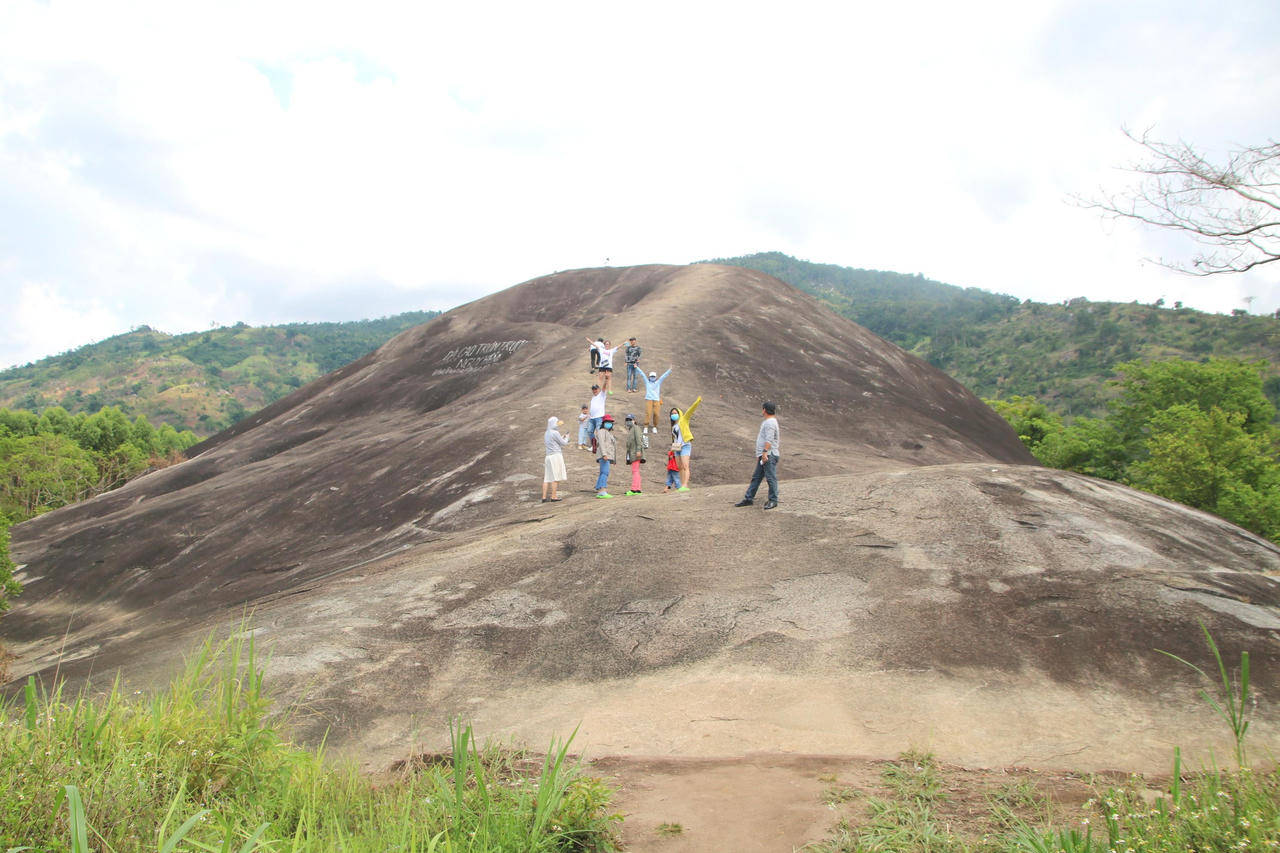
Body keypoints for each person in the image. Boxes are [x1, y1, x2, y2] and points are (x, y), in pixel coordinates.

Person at [735, 401, 780, 509]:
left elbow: (770, 439)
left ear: (764, 410)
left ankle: (773, 500)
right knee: (756, 477)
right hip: (764, 454)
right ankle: (748, 498)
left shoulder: (770, 422)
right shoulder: (769, 421)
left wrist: (764, 452)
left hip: (769, 454)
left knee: (770, 478)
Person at [669, 395, 702, 491]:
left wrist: (697, 401)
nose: (673, 415)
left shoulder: (684, 420)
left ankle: (685, 485)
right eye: (672, 414)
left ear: (679, 413)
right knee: (679, 467)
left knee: (685, 465)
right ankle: (682, 486)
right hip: (677, 447)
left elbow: (690, 410)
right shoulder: (673, 426)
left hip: (685, 445)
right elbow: (675, 438)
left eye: (675, 413)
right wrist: (672, 449)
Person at [543, 416, 570, 502]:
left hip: (548, 456)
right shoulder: (555, 432)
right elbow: (564, 443)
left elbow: (555, 441)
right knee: (556, 477)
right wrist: (567, 437)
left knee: (547, 478)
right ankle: (553, 496)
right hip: (556, 456)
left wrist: (561, 437)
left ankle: (543, 497)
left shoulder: (546, 433)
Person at [640, 366, 672, 435]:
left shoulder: (658, 382)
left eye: (653, 376)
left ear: (656, 377)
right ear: (649, 377)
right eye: (651, 376)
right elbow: (642, 374)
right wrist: (636, 368)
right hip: (648, 399)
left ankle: (654, 426)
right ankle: (646, 426)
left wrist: (669, 370)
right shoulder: (647, 382)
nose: (652, 377)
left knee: (656, 414)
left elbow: (663, 376)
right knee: (648, 413)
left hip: (656, 399)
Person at [594, 414, 617, 498]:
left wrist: (613, 459)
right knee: (605, 472)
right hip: (604, 455)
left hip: (606, 456)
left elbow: (612, 447)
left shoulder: (608, 433)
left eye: (610, 422)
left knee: (603, 472)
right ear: (603, 423)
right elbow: (602, 443)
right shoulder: (601, 431)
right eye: (607, 422)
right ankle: (602, 491)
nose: (609, 424)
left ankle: (599, 487)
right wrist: (604, 454)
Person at [624, 413, 645, 495]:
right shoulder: (631, 429)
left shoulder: (635, 428)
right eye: (627, 420)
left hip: (636, 452)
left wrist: (639, 450)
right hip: (633, 452)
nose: (628, 421)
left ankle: (634, 489)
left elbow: (639, 440)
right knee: (636, 471)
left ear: (634, 420)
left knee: (635, 471)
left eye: (630, 420)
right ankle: (638, 489)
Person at [586, 383, 607, 450]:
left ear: (599, 389)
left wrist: (606, 380)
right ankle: (594, 445)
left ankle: (601, 447)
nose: (594, 390)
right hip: (592, 418)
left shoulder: (601, 395)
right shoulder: (593, 398)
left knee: (599, 432)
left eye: (596, 389)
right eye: (593, 389)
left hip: (599, 417)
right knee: (589, 431)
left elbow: (604, 388)